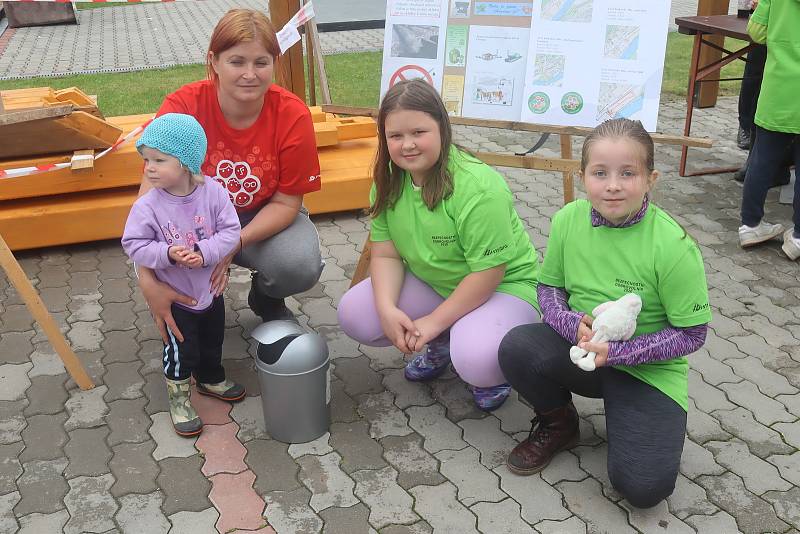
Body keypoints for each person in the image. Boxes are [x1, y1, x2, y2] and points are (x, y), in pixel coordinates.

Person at [498, 118, 711, 508]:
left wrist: (618, 354)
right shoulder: (568, 219)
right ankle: (559, 424)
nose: (613, 184)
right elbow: (548, 288)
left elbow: (692, 334)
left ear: (651, 179)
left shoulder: (674, 245)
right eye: (600, 173)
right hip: (583, 351)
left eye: (627, 173)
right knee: (516, 346)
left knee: (644, 489)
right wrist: (570, 323)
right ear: (583, 177)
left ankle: (634, 416)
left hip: (647, 371)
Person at [337, 79, 542, 411]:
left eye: (419, 132)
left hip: (505, 287)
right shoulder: (389, 180)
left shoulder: (479, 188)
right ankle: (446, 340)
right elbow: (386, 253)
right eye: (396, 136)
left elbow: (487, 274)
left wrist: (431, 322)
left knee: (476, 360)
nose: (408, 145)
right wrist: (388, 310)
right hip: (438, 283)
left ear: (443, 129)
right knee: (355, 314)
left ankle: (489, 361)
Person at [136, 8, 324, 346]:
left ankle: (266, 299)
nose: (250, 74)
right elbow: (147, 206)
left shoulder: (292, 115)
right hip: (188, 222)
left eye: (261, 62)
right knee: (193, 336)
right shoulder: (183, 108)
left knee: (299, 263)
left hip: (261, 217)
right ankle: (196, 311)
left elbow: (286, 202)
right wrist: (148, 281)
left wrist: (229, 244)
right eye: (237, 61)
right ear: (214, 61)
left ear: (275, 64)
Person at [122, 114, 243, 436]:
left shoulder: (214, 193)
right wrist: (166, 254)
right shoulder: (147, 207)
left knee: (213, 338)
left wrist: (205, 252)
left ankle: (210, 377)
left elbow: (231, 232)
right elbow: (133, 244)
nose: (149, 168)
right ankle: (178, 398)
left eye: (159, 160)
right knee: (180, 349)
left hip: (209, 290)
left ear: (187, 163)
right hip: (175, 294)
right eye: (146, 159)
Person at [738, 0, 800, 259]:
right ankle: (797, 237)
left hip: (777, 94)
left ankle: (750, 224)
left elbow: (757, 31)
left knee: (760, 161)